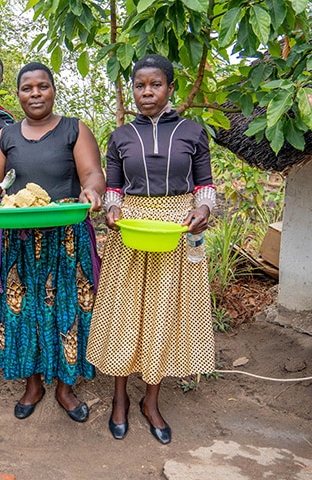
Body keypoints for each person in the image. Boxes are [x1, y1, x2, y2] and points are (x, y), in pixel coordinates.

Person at [0, 62, 106, 422]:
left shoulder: (74, 129)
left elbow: (91, 173)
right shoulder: (6, 136)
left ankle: (65, 387)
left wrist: (92, 189)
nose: (35, 94)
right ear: (19, 94)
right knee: (21, 311)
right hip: (19, 239)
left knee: (67, 311)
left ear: (53, 90)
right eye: (27, 88)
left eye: (42, 86)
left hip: (66, 238)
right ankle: (33, 382)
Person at [85, 53, 217, 445]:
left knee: (163, 316)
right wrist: (112, 208)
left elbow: (204, 184)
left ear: (170, 87)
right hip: (131, 231)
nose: (147, 92)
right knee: (125, 314)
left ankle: (152, 400)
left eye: (155, 84)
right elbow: (112, 187)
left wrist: (204, 208)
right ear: (133, 90)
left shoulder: (193, 132)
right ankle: (120, 398)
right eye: (140, 85)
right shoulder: (120, 136)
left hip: (177, 229)